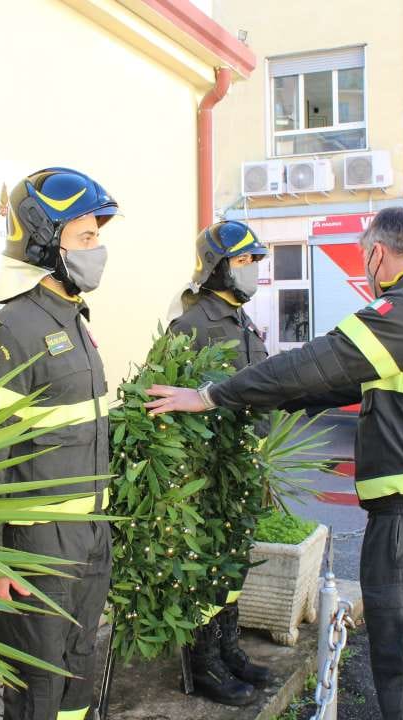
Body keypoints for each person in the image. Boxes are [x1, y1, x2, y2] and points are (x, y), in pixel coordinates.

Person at [146, 207, 403, 720]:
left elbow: (318, 363)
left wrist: (212, 397)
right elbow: (332, 384)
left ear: (376, 254)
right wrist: (252, 398)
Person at [0, 167, 118, 720]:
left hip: (90, 538)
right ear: (46, 241)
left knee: (78, 671)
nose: (97, 250)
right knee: (37, 687)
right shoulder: (13, 329)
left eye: (97, 238)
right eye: (86, 238)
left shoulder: (75, 321)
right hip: (38, 549)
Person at [167, 220, 270, 706]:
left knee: (233, 566)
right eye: (244, 262)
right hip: (207, 475)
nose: (252, 272)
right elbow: (165, 400)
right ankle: (203, 662)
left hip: (242, 469)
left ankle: (228, 649)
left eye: (254, 262)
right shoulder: (191, 324)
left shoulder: (242, 320)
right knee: (206, 567)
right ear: (217, 267)